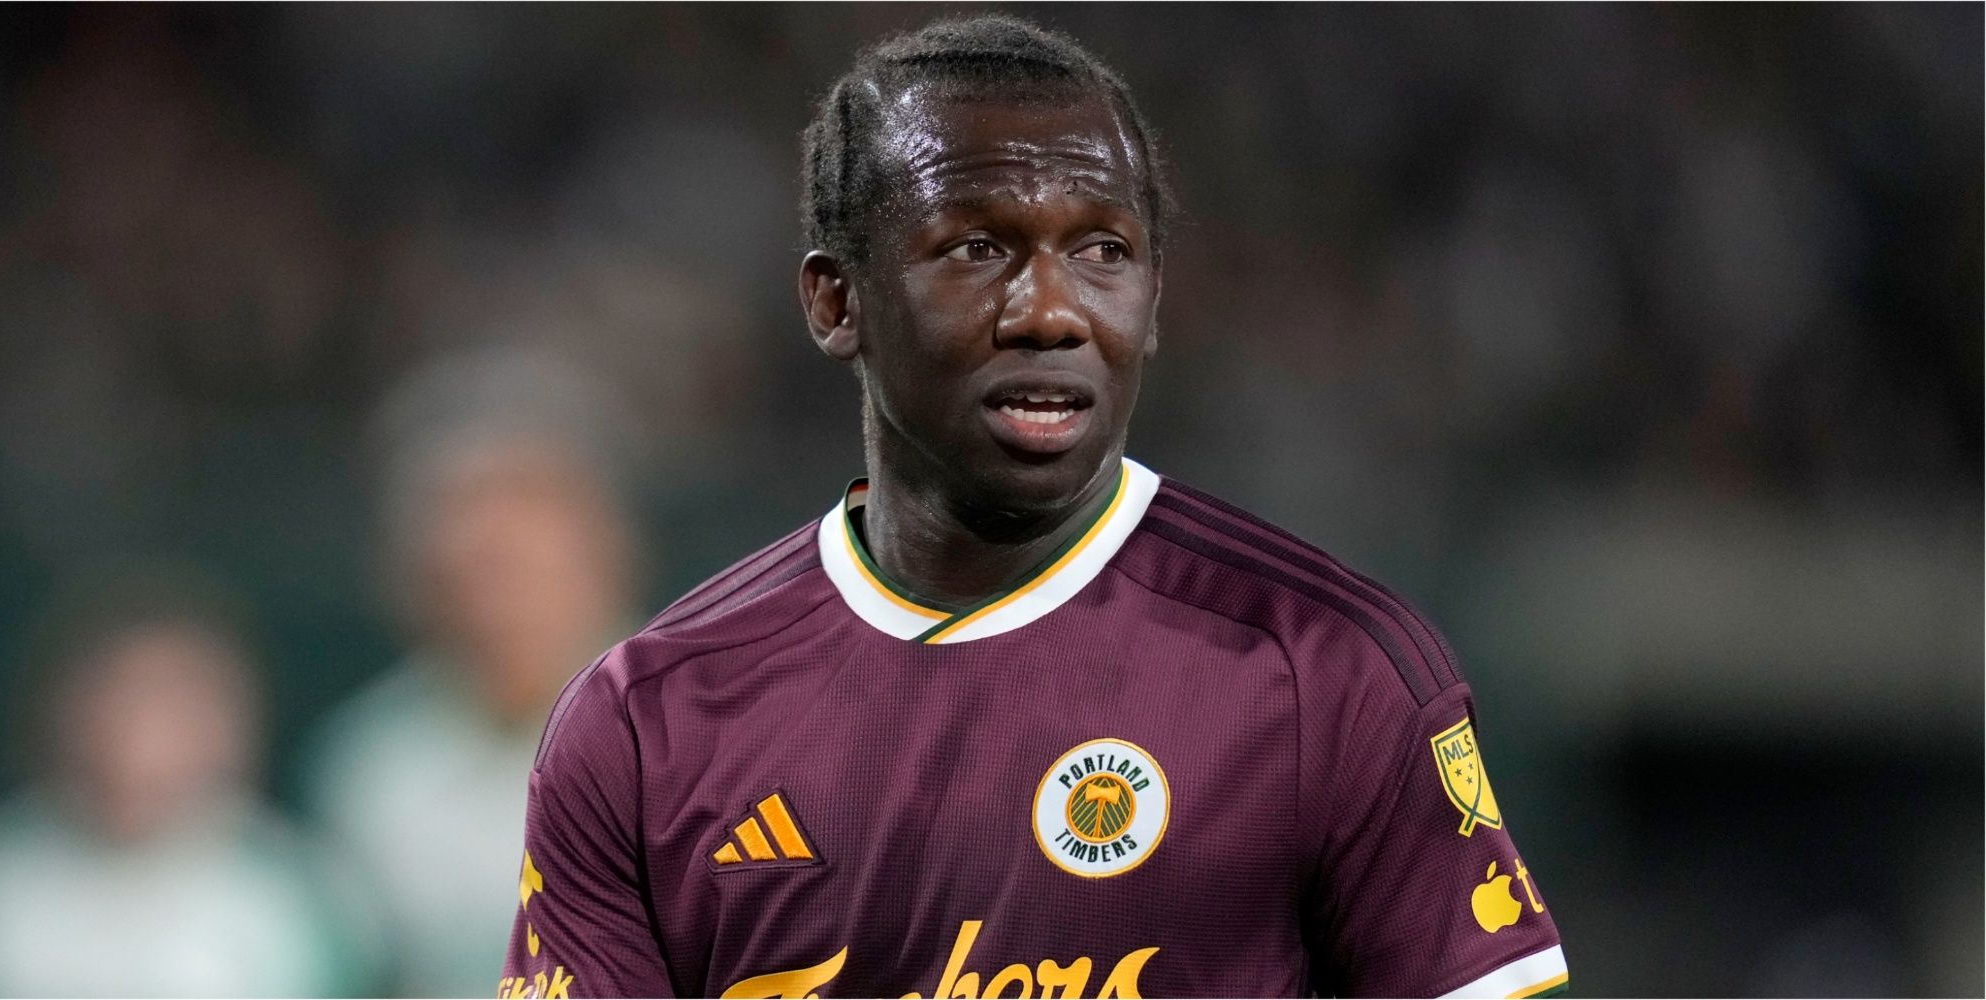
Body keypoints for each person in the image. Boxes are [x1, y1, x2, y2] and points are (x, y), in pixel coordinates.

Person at [503, 16, 1565, 999]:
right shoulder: (643, 724)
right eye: (977, 247)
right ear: (836, 301)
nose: (1050, 311)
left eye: (1102, 250)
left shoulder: (1329, 670)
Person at [307, 349, 644, 996]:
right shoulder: (369, 765)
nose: (502, 603)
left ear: (601, 552)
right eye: (476, 573)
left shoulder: (714, 726)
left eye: (527, 566)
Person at [0, 570, 362, 998]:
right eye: (115, 697)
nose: (137, 735)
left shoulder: (297, 894)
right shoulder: (1, 873)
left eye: (172, 702)